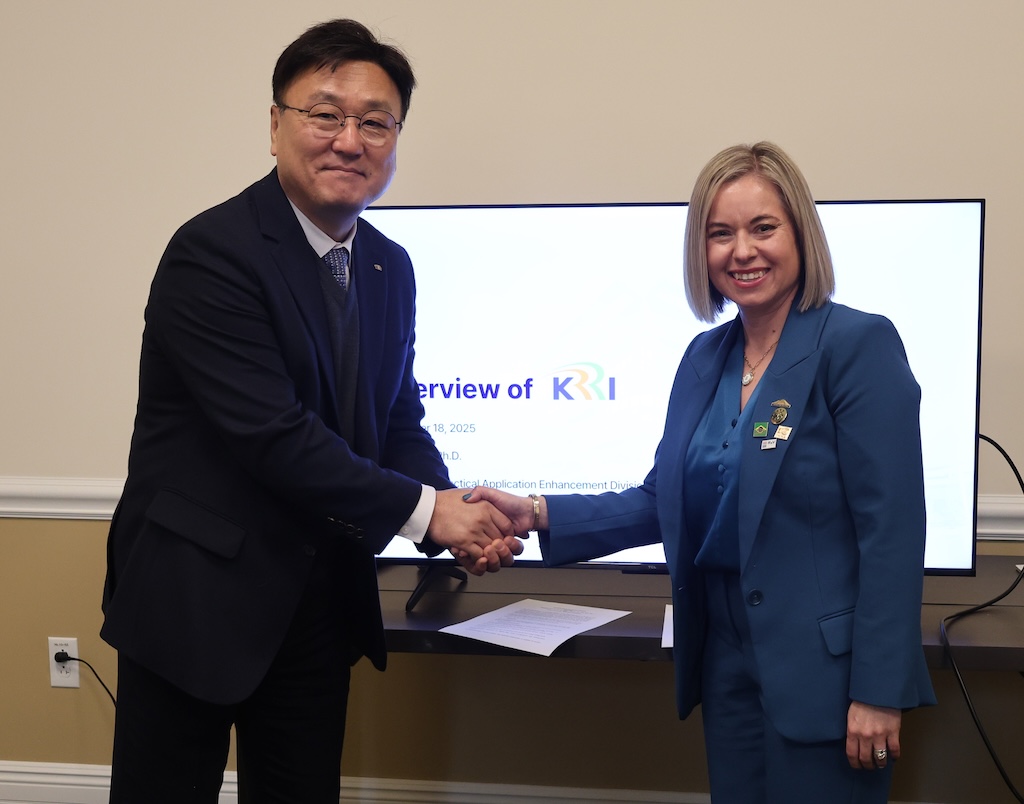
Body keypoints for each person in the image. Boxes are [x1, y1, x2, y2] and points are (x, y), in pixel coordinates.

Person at [101, 18, 522, 803]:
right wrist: (429, 514)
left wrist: (455, 507)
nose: (349, 140)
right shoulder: (212, 252)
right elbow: (275, 436)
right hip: (195, 599)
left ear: (395, 139)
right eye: (325, 115)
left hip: (319, 601)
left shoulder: (388, 265)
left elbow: (394, 417)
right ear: (276, 126)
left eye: (375, 122)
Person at [468, 141, 936, 802]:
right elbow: (663, 499)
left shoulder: (856, 344)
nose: (742, 251)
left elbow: (892, 532)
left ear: (800, 234)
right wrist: (538, 513)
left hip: (828, 674)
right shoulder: (704, 357)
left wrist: (879, 690)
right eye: (721, 234)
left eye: (763, 228)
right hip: (725, 658)